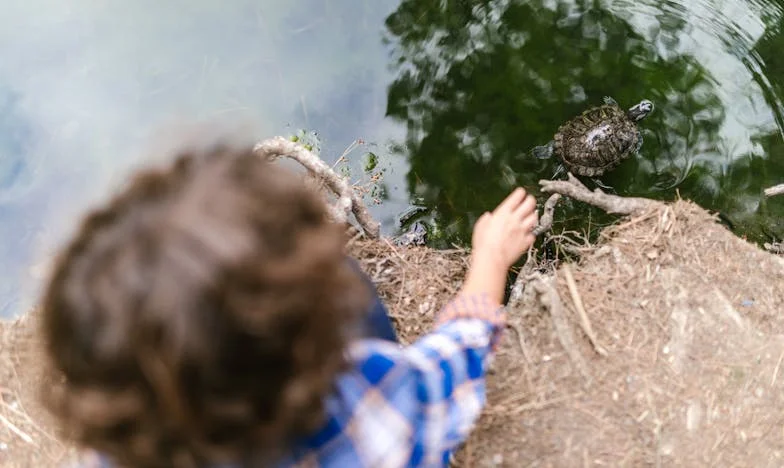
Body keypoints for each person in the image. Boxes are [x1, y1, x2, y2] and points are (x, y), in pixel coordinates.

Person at [40, 140, 538, 468]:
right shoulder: (359, 424)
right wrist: (490, 261)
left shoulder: (123, 442)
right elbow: (453, 364)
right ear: (299, 362)